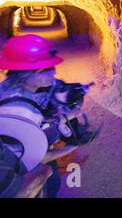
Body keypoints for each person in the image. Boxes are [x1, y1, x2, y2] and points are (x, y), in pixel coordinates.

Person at [0, 34, 99, 197]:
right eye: (45, 69)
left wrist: (66, 116)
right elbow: (36, 159)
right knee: (50, 185)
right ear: (25, 74)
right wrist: (73, 146)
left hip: (29, 149)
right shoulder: (20, 111)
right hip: (25, 172)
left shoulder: (11, 88)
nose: (52, 73)